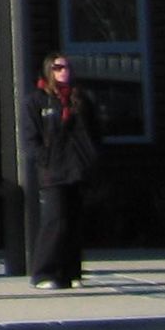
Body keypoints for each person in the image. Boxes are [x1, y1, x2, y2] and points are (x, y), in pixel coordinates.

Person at [29, 52, 103, 289]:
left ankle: (71, 271)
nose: (64, 71)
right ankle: (44, 272)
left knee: (73, 220)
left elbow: (94, 131)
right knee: (55, 219)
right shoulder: (38, 100)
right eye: (58, 67)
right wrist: (44, 158)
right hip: (53, 170)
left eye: (67, 67)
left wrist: (92, 157)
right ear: (49, 70)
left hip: (77, 167)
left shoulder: (80, 99)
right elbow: (32, 137)